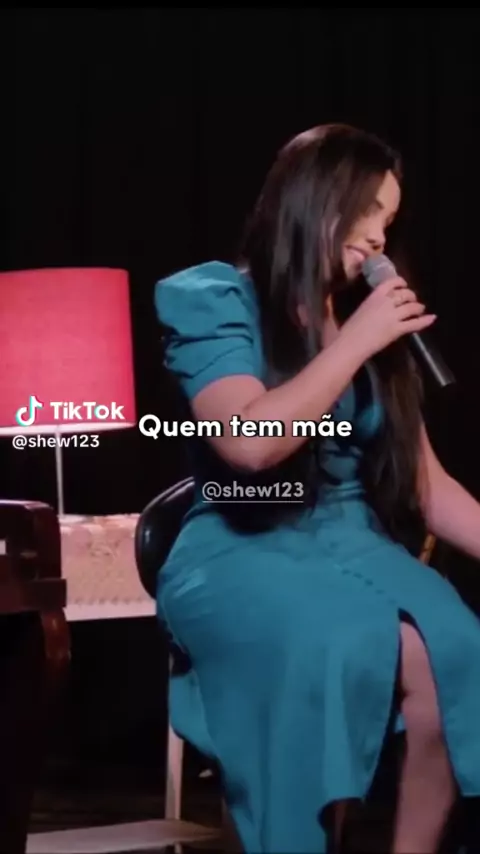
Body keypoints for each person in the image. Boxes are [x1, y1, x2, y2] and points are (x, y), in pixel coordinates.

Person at [153, 123, 480, 854]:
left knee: (459, 651)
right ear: (313, 199)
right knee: (334, 646)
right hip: (242, 543)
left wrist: (366, 337)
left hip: (354, 541)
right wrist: (358, 342)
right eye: (367, 210)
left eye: (389, 220)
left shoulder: (370, 325)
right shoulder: (217, 298)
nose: (378, 237)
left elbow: (428, 487)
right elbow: (249, 444)